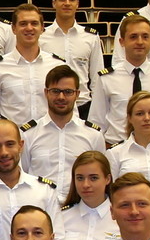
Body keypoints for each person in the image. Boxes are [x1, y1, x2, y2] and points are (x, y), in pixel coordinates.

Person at [90, 15, 150, 145]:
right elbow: (97, 123)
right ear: (122, 42)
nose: (140, 42)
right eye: (133, 37)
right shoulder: (107, 78)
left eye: (145, 37)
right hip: (116, 148)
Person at [20, 65, 105, 200]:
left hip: (79, 207)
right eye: (55, 91)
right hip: (39, 206)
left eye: (68, 92)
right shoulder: (28, 134)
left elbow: (100, 178)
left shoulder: (93, 135)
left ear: (77, 94)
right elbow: (22, 176)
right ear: (46, 92)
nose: (61, 97)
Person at [0, 3, 67, 126]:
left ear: (42, 28)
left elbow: (69, 110)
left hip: (49, 135)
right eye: (23, 24)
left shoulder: (57, 66)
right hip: (14, 136)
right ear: (13, 28)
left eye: (34, 23)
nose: (29, 28)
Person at [41, 0, 105, 99]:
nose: (67, 3)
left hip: (83, 103)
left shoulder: (91, 37)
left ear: (77, 4)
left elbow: (97, 78)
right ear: (54, 3)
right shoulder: (41, 37)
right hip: (51, 103)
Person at [59, 150, 120, 240]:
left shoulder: (121, 217)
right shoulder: (62, 217)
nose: (86, 185)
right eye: (80, 178)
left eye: (93, 178)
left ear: (107, 179)